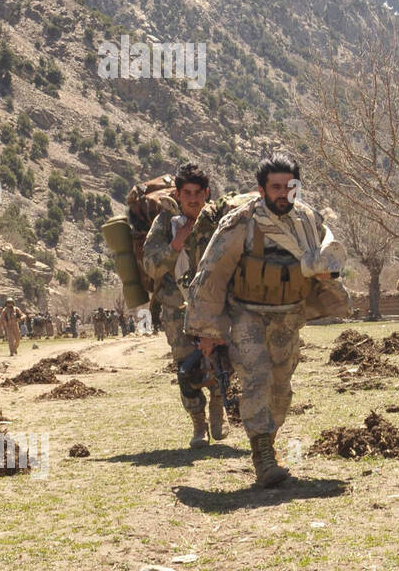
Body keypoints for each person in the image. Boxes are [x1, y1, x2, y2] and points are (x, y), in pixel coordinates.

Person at [185, 154, 349, 487]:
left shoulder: (309, 222)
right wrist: (207, 329)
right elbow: (212, 274)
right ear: (261, 190)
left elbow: (328, 259)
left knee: (280, 389)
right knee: (256, 377)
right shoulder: (241, 223)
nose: (283, 193)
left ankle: (267, 445)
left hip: (288, 316)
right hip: (248, 314)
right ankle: (263, 457)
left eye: (290, 187)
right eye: (275, 187)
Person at [143, 162, 227, 449]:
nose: (192, 199)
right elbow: (151, 265)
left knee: (220, 360)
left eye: (198, 193)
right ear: (178, 194)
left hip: (213, 306)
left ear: (206, 193)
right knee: (186, 367)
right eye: (186, 193)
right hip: (176, 308)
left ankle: (218, 406)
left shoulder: (217, 220)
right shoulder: (165, 224)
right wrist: (176, 244)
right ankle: (198, 424)